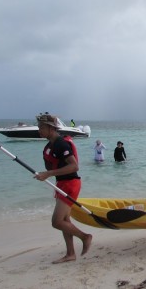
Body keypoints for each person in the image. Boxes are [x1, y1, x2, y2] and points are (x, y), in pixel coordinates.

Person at [34, 113, 92, 264]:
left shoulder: (61, 144)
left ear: (51, 128)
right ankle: (70, 253)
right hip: (62, 184)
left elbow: (74, 166)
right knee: (65, 220)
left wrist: (48, 173)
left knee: (56, 221)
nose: (39, 130)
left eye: (41, 127)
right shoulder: (50, 145)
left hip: (70, 184)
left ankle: (85, 237)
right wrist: (45, 174)